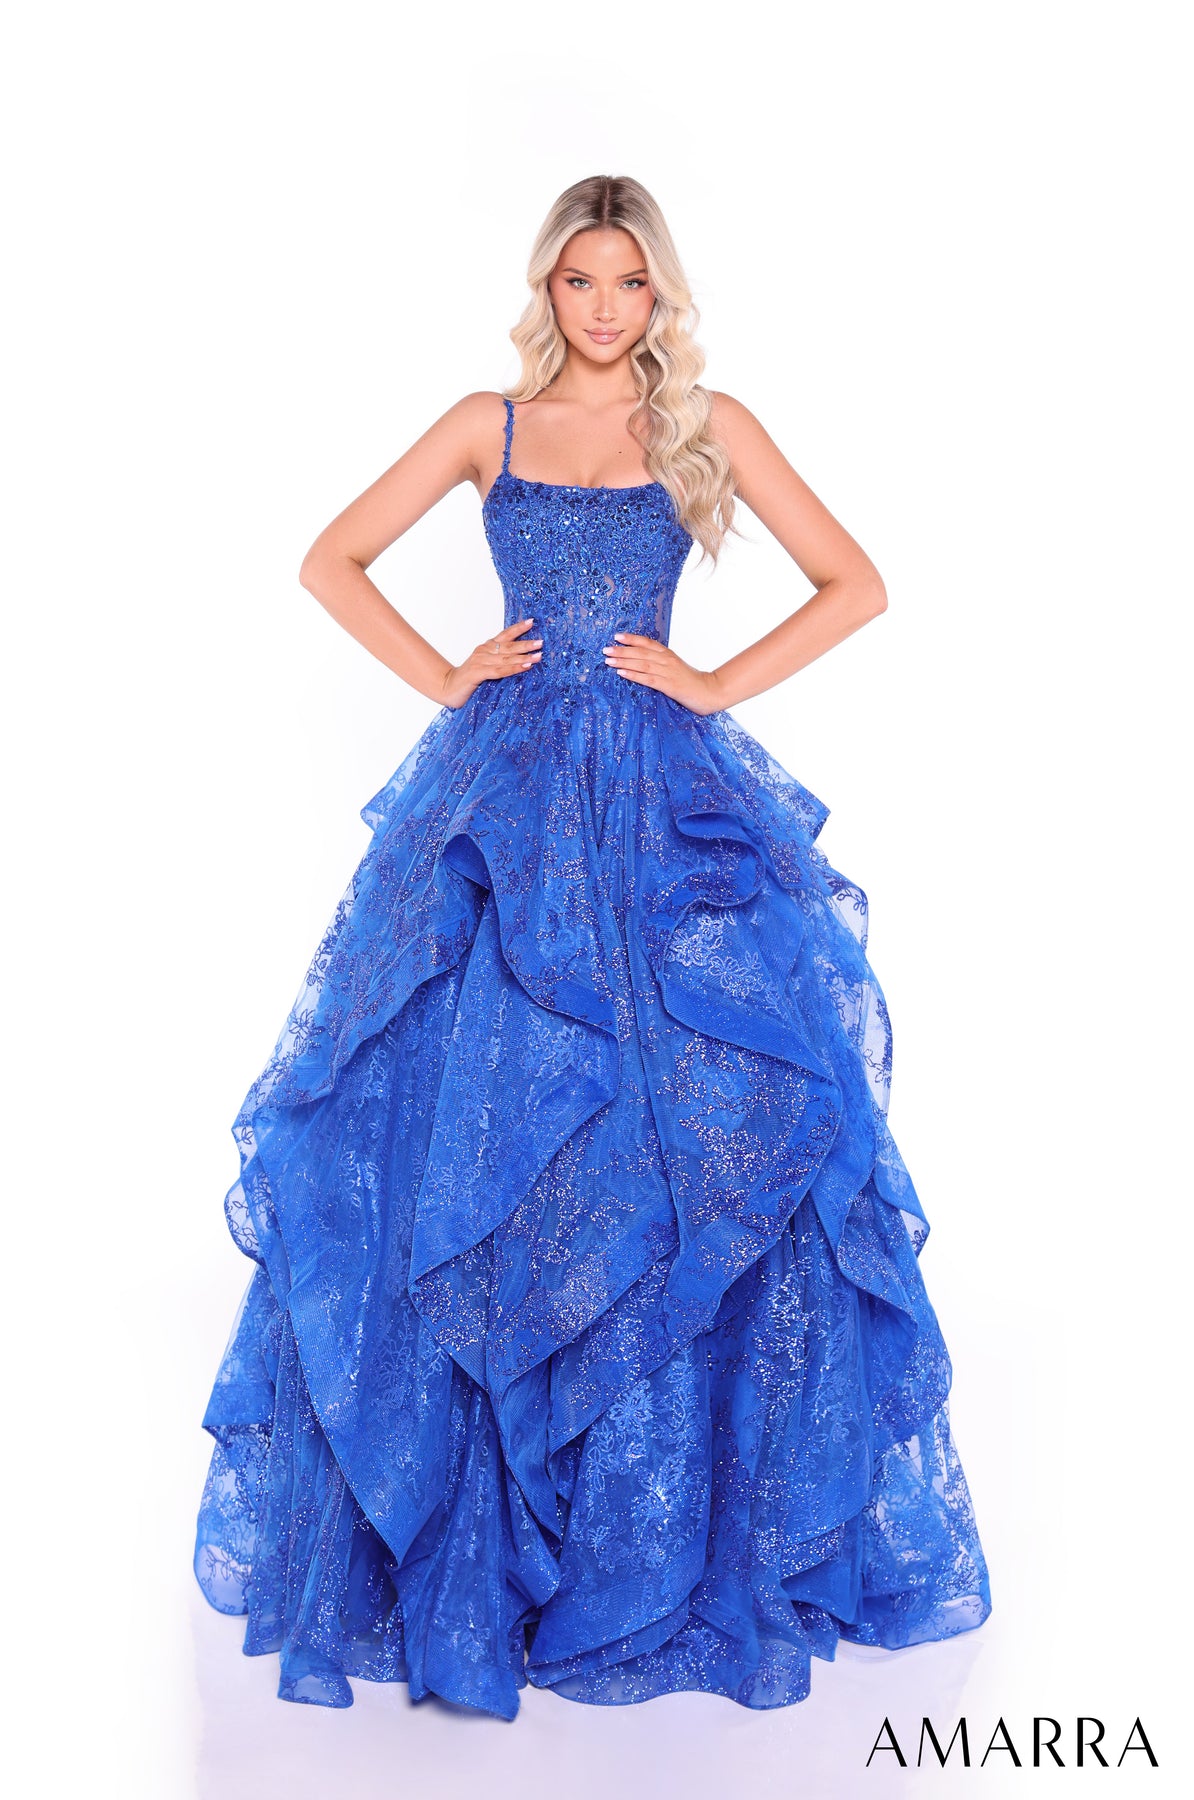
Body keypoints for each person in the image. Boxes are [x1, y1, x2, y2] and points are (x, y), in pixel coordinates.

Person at [193, 173, 991, 1720]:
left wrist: (711, 683)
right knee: (471, 1120)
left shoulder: (707, 424)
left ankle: (668, 1540)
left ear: (658, 293)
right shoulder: (483, 425)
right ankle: (478, 1541)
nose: (607, 307)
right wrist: (444, 672)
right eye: (581, 280)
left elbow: (858, 585)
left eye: (630, 282)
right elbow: (328, 557)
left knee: (684, 1130)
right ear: (547, 289)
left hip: (657, 801)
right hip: (501, 805)